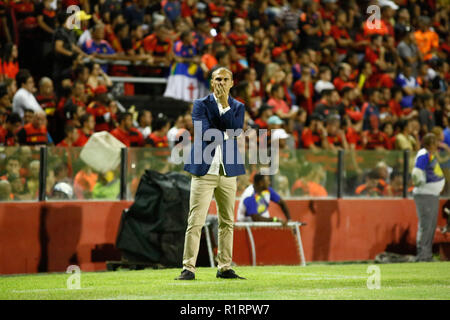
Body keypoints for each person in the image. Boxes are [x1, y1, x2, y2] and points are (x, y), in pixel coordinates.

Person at [176, 67, 245, 280]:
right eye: (218, 79)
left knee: (227, 221)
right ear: (211, 82)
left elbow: (236, 131)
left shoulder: (238, 106)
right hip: (204, 171)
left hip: (228, 171)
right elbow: (205, 133)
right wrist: (226, 130)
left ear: (232, 83)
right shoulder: (200, 104)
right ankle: (188, 268)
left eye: (225, 79)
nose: (221, 82)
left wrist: (224, 106)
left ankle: (224, 267)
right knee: (195, 220)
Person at [411, 133, 445, 262]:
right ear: (430, 143)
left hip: (431, 194)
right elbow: (416, 172)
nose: (437, 144)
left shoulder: (428, 155)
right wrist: (420, 183)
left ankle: (427, 254)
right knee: (426, 225)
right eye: (436, 142)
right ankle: (423, 255)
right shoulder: (423, 154)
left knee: (430, 225)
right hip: (425, 194)